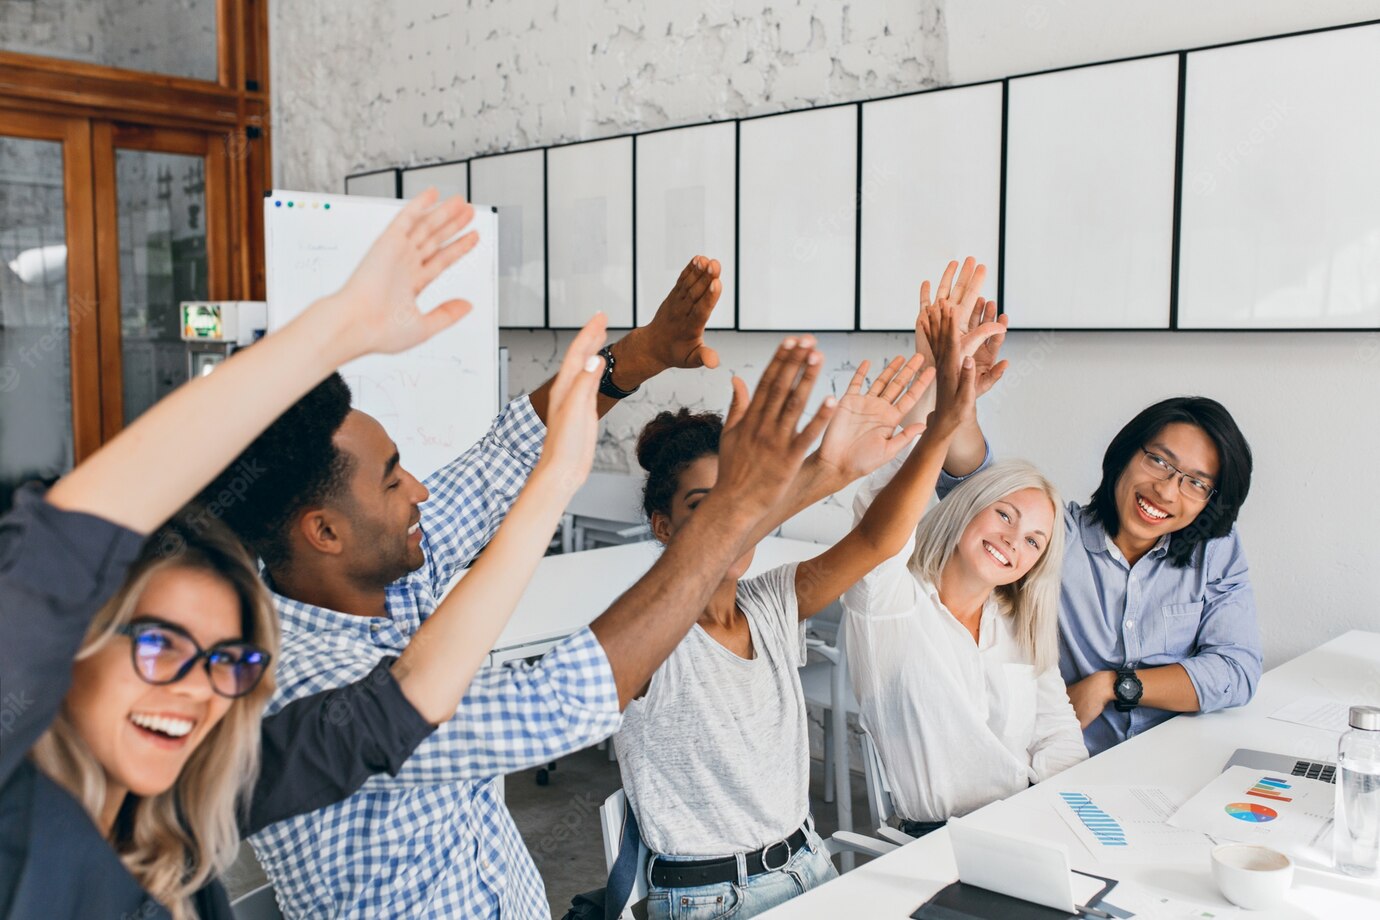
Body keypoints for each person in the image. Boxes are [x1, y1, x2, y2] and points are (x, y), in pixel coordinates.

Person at [0, 190, 609, 918]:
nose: (198, 691)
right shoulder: (21, 814)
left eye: (229, 661)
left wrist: (557, 479)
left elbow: (398, 708)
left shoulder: (192, 808)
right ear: (76, 639)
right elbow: (62, 546)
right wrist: (333, 331)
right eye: (161, 646)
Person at [207, 258, 846, 919]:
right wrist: (730, 513)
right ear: (325, 532)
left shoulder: (378, 578)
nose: (420, 490)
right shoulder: (309, 686)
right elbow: (556, 702)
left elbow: (499, 463)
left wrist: (637, 357)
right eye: (394, 479)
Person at [616, 353, 932, 919]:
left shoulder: (768, 602)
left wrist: (943, 424)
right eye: (703, 504)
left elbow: (879, 539)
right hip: (710, 898)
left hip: (810, 864)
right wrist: (823, 471)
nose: (730, 518)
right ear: (663, 526)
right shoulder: (649, 631)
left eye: (741, 498)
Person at [916, 260, 1262, 756]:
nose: (1166, 491)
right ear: (1125, 455)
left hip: (1179, 761)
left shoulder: (1217, 551)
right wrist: (955, 392)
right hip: (1070, 769)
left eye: (1195, 483)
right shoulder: (1057, 532)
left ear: (1212, 500)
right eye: (1159, 461)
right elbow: (978, 489)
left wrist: (1114, 685)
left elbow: (1237, 670)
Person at [829, 300, 1086, 836]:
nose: (1014, 541)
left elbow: (1057, 732)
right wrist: (936, 385)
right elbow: (881, 513)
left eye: (1034, 540)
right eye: (1005, 516)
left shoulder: (1017, 622)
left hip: (1031, 822)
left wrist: (1053, 817)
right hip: (939, 843)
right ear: (969, 507)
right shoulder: (892, 603)